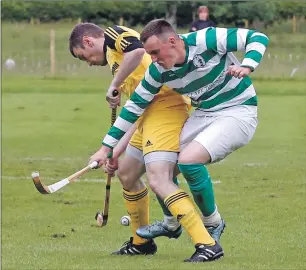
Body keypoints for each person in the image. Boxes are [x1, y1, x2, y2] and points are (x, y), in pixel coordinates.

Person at [89, 19, 269, 262]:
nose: (152, 59)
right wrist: (105, 148)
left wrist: (248, 65)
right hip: (205, 113)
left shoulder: (205, 40)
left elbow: (257, 37)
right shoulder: (158, 71)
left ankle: (212, 224)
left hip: (238, 110)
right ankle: (171, 223)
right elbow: (133, 107)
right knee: (165, 164)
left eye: (155, 52)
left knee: (188, 160)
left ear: (172, 41)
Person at [69, 23, 219, 259]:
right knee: (127, 174)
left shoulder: (112, 35)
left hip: (167, 105)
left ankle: (206, 243)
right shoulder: (112, 57)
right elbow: (138, 108)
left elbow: (138, 50)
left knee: (159, 178)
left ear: (88, 41)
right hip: (148, 113)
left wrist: (114, 84)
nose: (87, 62)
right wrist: (115, 151)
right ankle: (142, 244)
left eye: (83, 56)